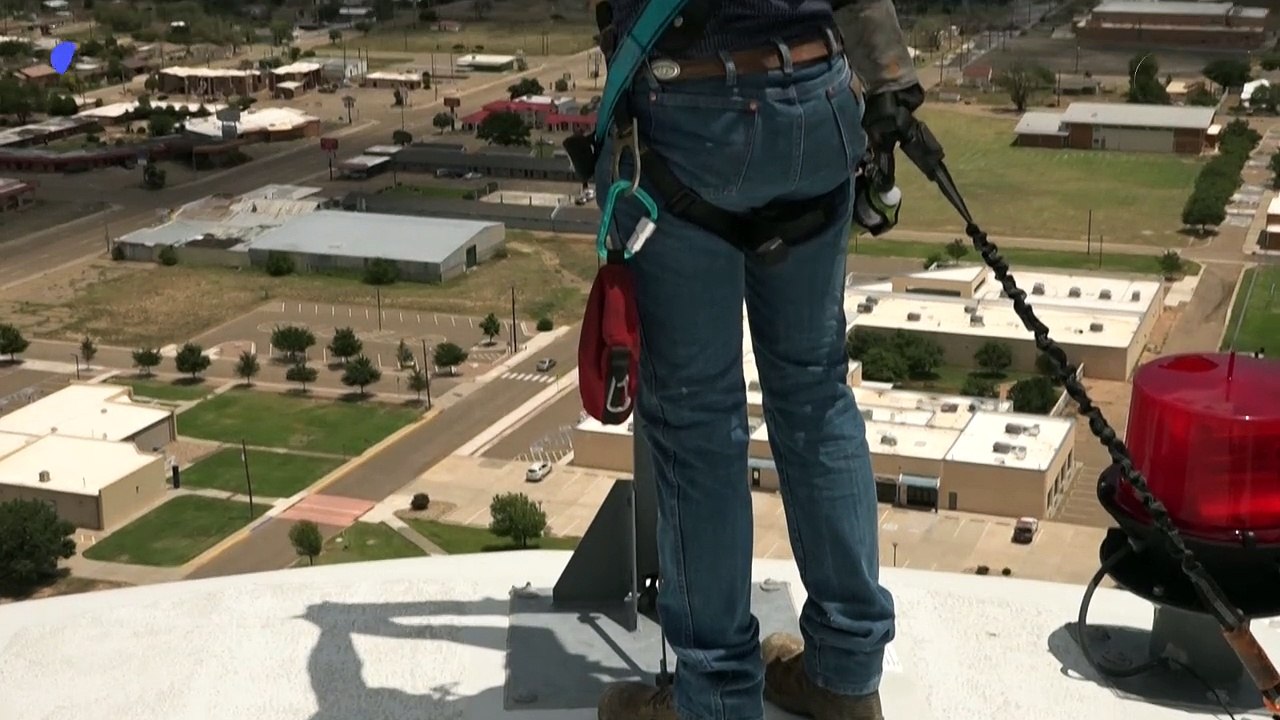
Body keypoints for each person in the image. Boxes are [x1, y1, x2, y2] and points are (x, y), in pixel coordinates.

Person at [589, 1, 923, 719]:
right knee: (815, 395)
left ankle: (715, 698)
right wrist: (889, 80)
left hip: (689, 111)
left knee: (699, 425)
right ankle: (846, 674)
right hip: (819, 99)